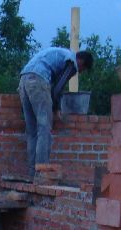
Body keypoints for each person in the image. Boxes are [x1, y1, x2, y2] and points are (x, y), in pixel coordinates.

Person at [18, 48, 94, 176]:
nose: (80, 72)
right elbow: (58, 88)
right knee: (44, 128)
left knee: (32, 131)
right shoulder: (72, 63)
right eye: (83, 69)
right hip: (38, 80)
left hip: (23, 80)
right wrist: (57, 108)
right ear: (81, 62)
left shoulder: (61, 54)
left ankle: (32, 174)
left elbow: (54, 85)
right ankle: (41, 173)